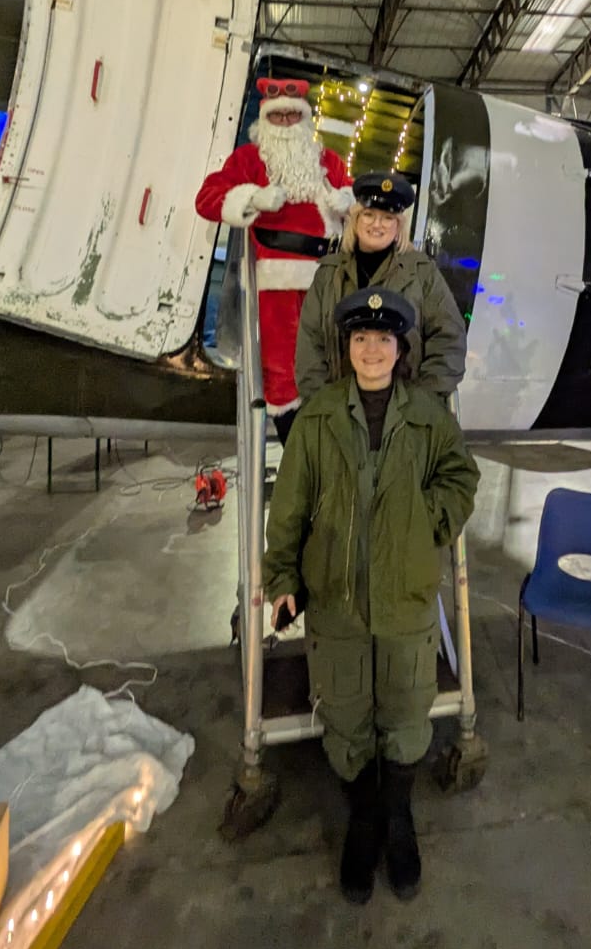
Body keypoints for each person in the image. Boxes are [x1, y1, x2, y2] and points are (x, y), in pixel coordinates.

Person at [265, 287, 479, 904]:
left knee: (408, 717)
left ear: (400, 348)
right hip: (334, 603)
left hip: (406, 601)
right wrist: (282, 579)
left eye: (384, 339)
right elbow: (290, 507)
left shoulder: (428, 417)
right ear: (348, 347)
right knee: (348, 719)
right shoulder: (321, 417)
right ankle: (363, 819)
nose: (372, 350)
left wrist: (427, 522)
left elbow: (461, 478)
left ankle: (399, 818)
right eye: (361, 339)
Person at [195, 78, 352, 444]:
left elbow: (361, 202)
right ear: (265, 118)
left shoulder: (328, 162)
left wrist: (347, 200)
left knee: (332, 361)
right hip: (274, 281)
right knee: (282, 370)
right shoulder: (248, 160)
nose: (284, 122)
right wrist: (253, 198)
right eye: (277, 115)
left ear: (303, 120)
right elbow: (206, 200)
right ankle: (297, 445)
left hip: (327, 280)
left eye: (291, 116)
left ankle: (331, 442)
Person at [294, 169, 467, 406]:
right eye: (369, 214)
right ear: (356, 218)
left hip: (407, 410)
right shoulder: (328, 274)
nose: (377, 225)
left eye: (388, 218)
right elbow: (310, 347)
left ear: (399, 225)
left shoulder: (423, 273)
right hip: (338, 409)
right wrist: (325, 407)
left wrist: (421, 402)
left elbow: (449, 341)